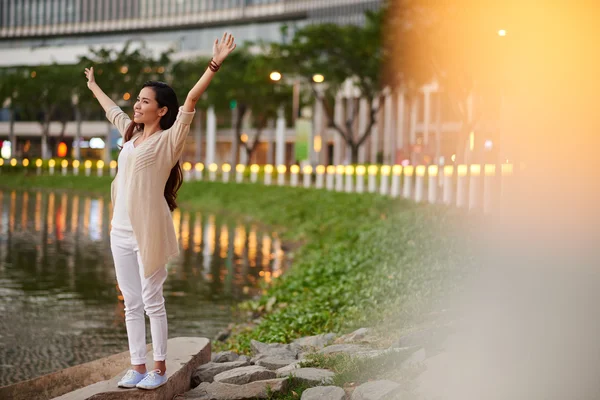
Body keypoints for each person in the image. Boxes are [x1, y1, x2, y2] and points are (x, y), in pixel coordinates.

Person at [84, 32, 236, 390]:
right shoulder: (130, 134)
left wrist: (214, 64)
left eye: (144, 101)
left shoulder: (169, 140)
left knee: (153, 302)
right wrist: (93, 85)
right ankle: (137, 365)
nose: (137, 105)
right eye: (137, 100)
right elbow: (111, 110)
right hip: (118, 232)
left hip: (148, 231)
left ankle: (159, 368)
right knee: (131, 303)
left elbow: (192, 98)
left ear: (162, 110)